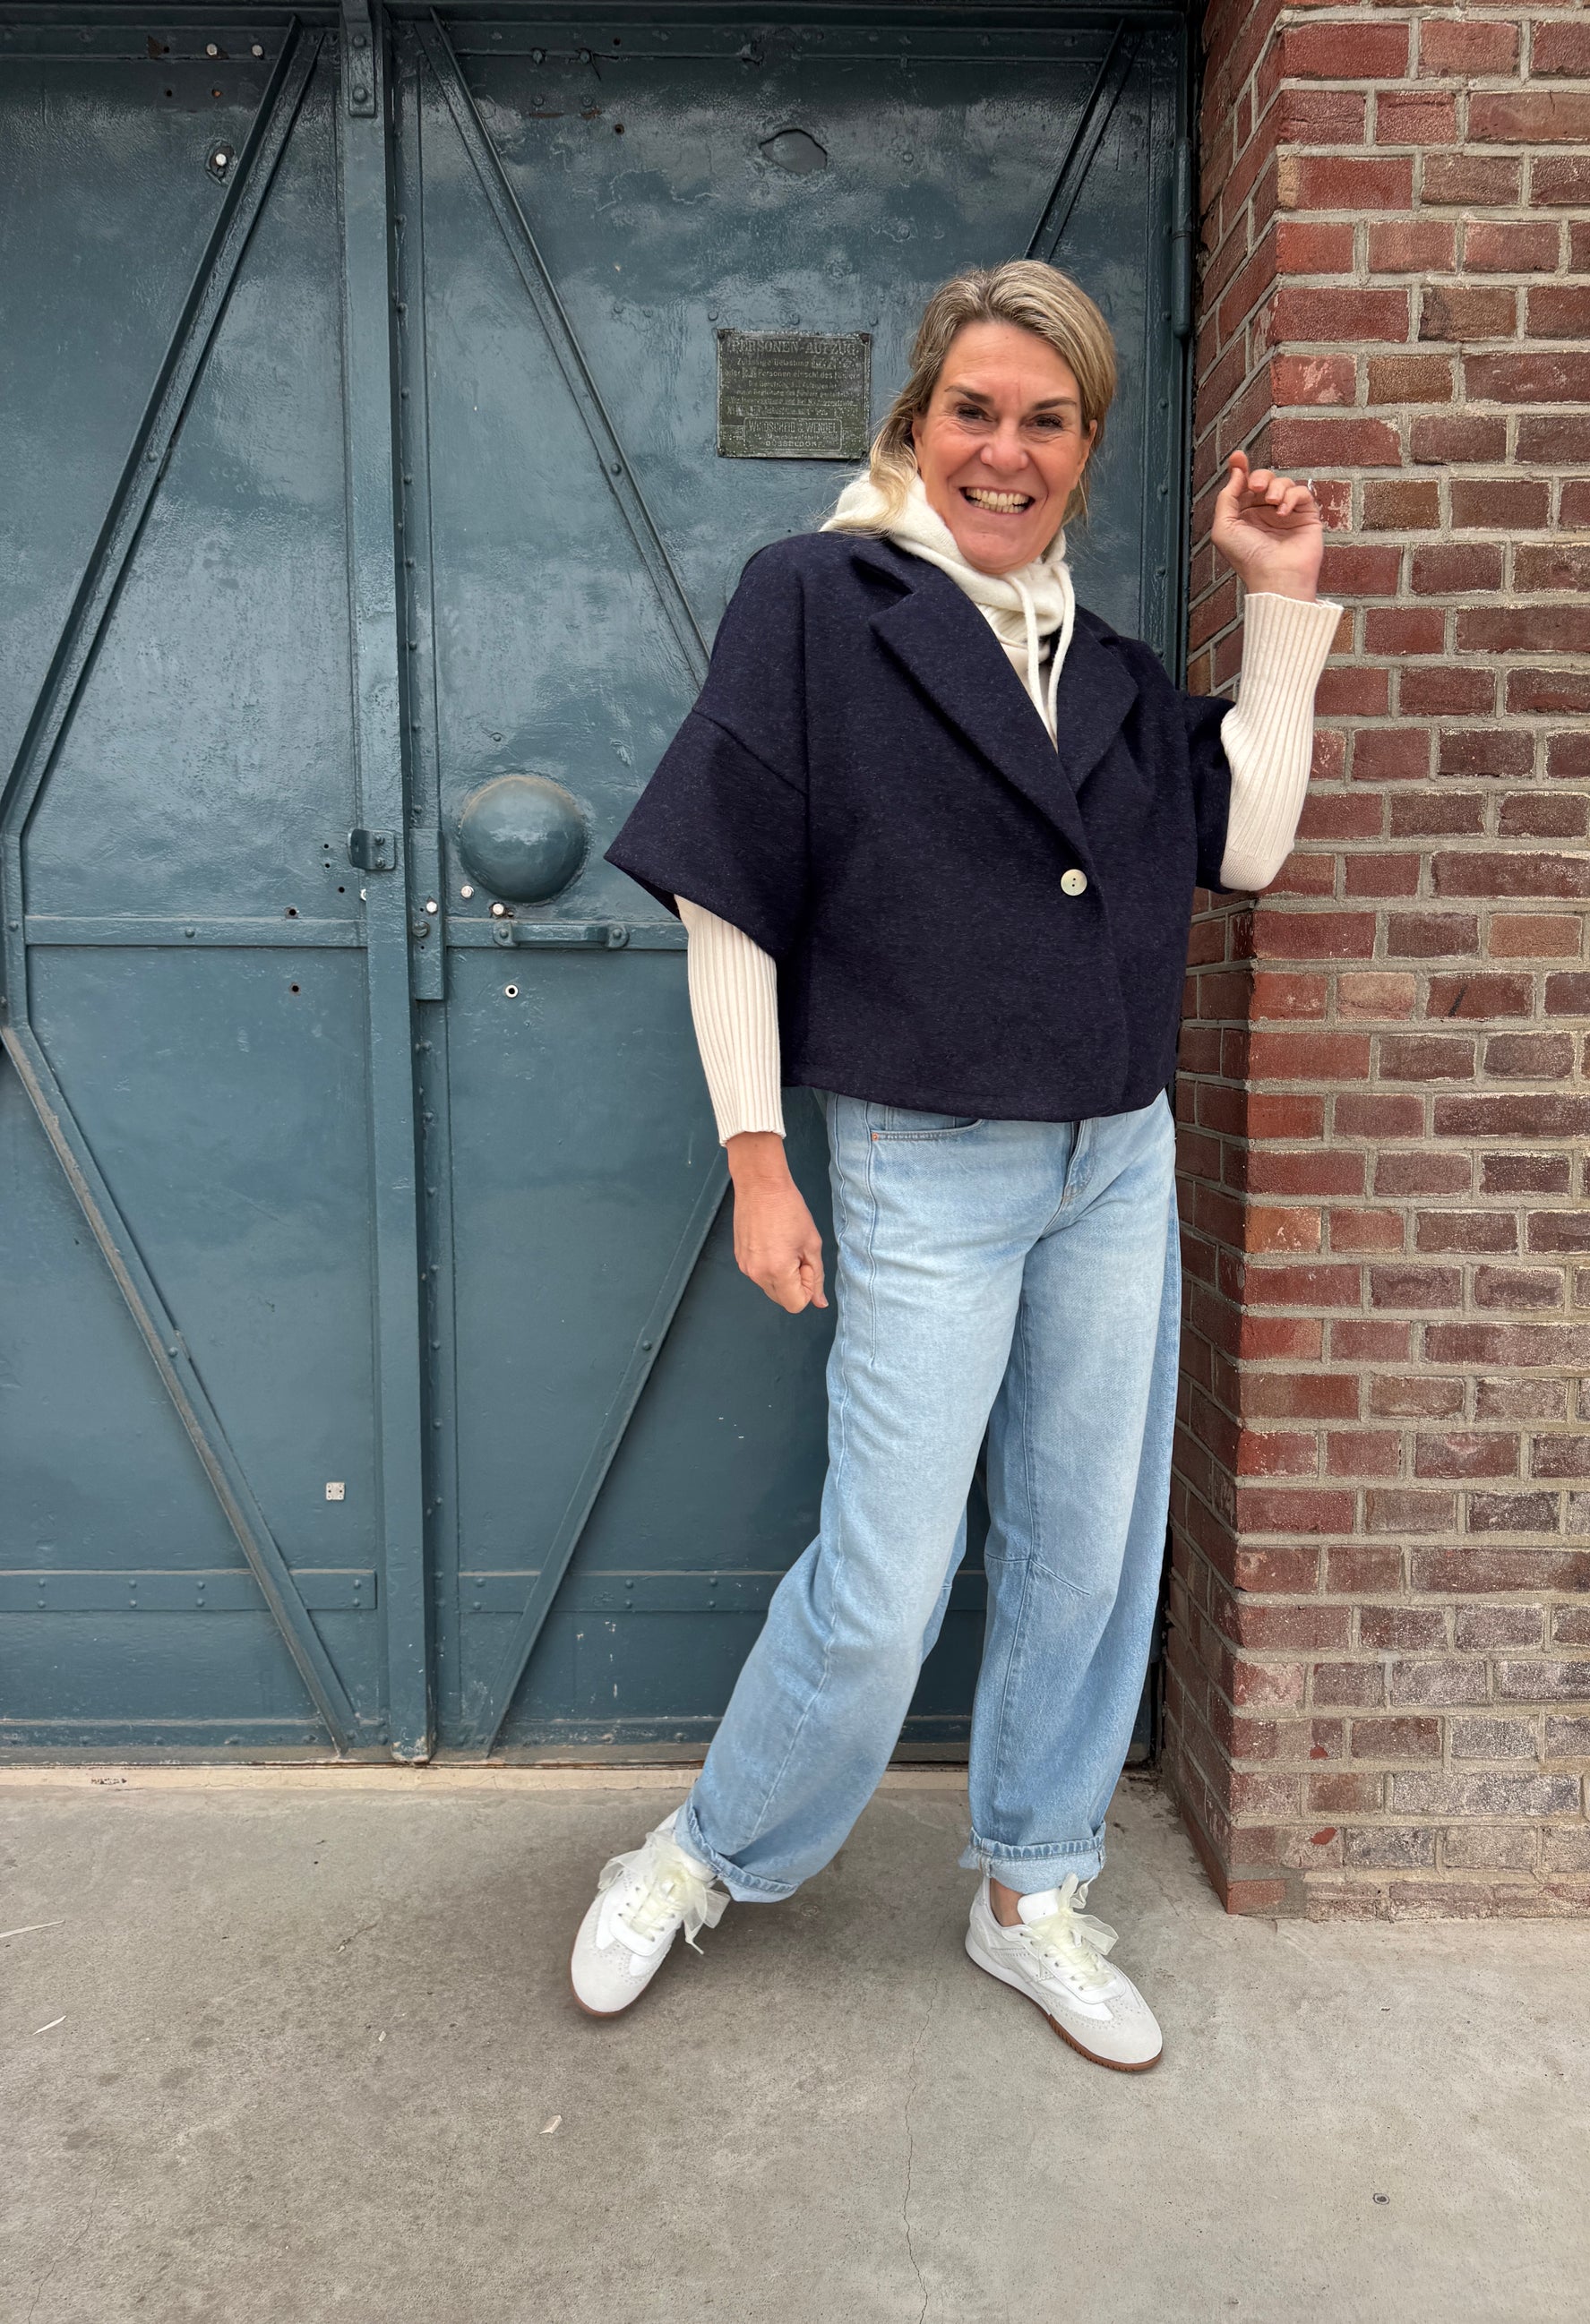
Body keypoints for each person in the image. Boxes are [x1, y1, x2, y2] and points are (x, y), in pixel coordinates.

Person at [582, 262, 1335, 2071]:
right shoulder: (816, 599)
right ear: (916, 420)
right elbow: (727, 890)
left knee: (1085, 1552)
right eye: (974, 410)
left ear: (1086, 447)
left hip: (1113, 1156)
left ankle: (1030, 1889)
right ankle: (706, 1850)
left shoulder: (1115, 670)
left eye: (1047, 421)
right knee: (887, 1577)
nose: (1006, 450)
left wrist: (1280, 603)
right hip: (923, 1159)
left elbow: (1245, 845)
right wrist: (758, 1158)